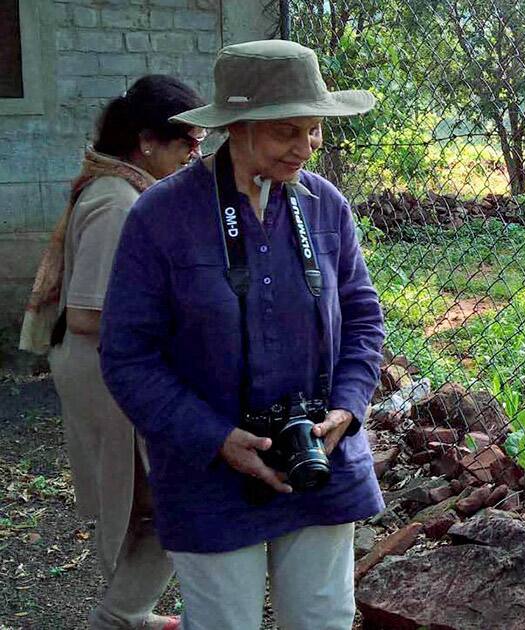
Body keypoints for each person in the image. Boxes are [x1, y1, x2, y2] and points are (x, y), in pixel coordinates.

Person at [98, 40, 386, 630]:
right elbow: (128, 355)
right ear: (238, 127)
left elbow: (362, 317)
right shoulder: (161, 216)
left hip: (319, 459)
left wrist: (348, 408)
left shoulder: (326, 207)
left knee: (323, 619)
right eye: (287, 131)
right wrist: (214, 437)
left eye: (314, 130)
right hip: (208, 472)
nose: (306, 147)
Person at [19, 75, 207, 630]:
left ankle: (130, 610)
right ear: (148, 141)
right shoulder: (118, 202)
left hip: (105, 369)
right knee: (169, 495)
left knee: (139, 496)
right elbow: (86, 314)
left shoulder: (124, 190)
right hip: (107, 370)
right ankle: (119, 617)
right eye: (187, 143)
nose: (196, 155)